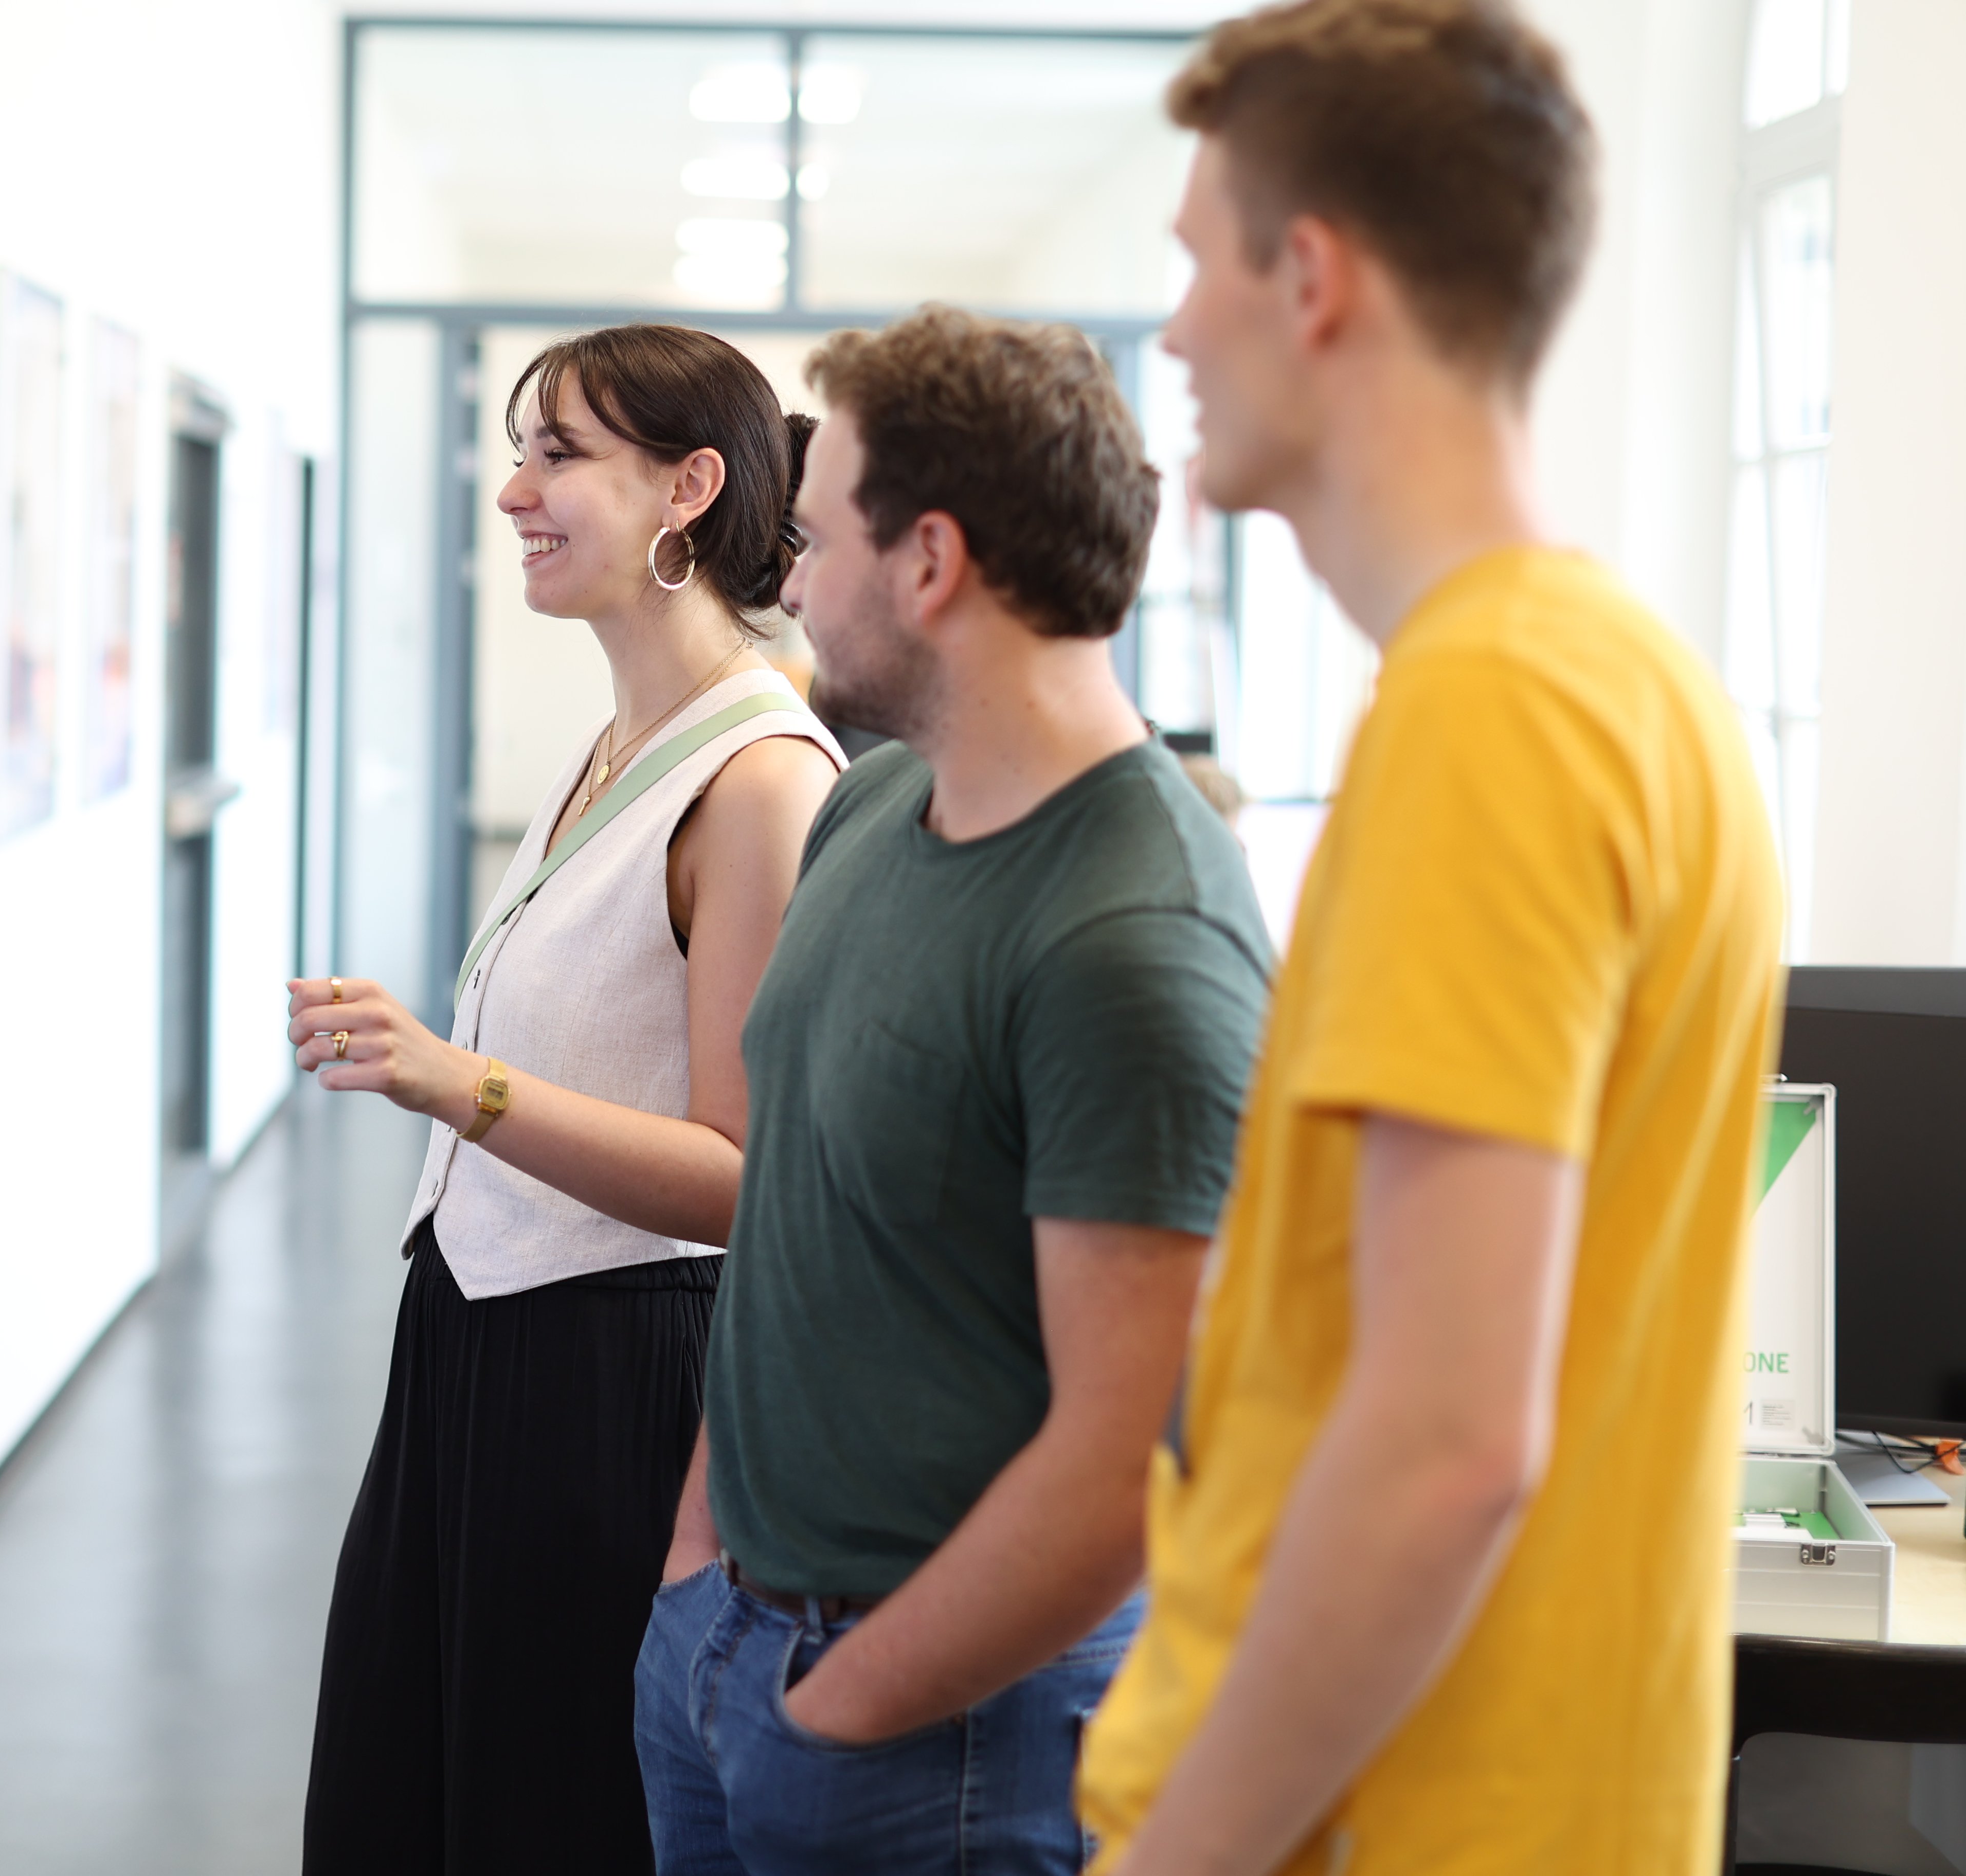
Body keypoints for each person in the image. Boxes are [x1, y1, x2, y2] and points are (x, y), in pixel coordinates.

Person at [1075, 6, 1784, 1873]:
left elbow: (1449, 1442)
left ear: (1309, 279)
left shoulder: (1497, 710)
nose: (1172, 335)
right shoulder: (1623, 685)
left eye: (1194, 267)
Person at [634, 305, 1274, 1876]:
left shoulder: (1135, 938)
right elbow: (794, 1214)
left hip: (943, 1736)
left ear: (930, 564)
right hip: (737, 1637)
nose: (787, 577)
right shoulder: (882, 804)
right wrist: (702, 1568)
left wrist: (846, 1706)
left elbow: (1127, 1458)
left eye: (823, 531)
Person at [290, 325, 844, 1876]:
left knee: (544, 1815)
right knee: (412, 1798)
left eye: (558, 456)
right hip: (471, 1351)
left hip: (611, 1382)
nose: (514, 492)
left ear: (690, 489)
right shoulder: (617, 745)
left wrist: (445, 1076)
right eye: (519, 451)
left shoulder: (762, 780)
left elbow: (747, 1175)